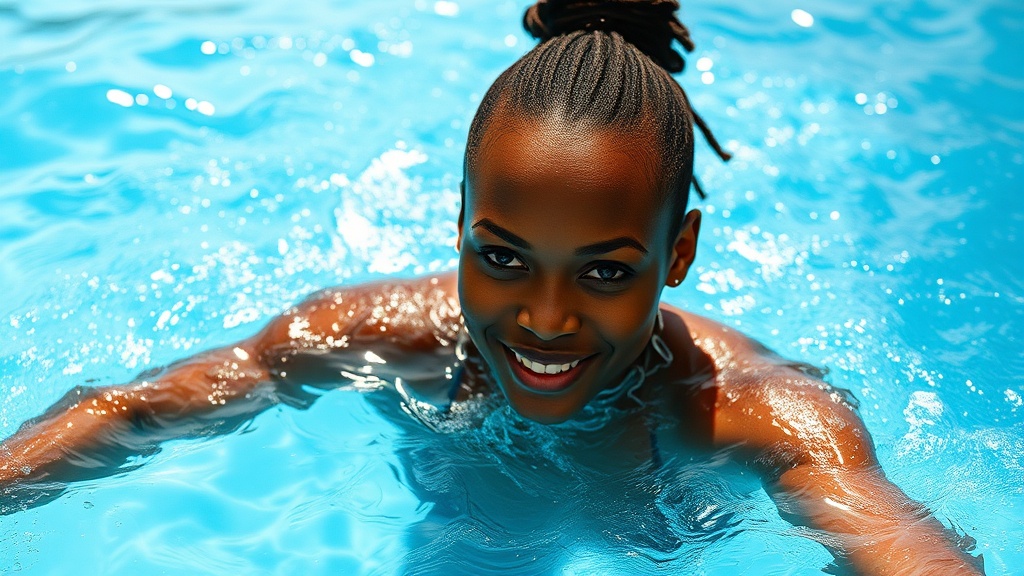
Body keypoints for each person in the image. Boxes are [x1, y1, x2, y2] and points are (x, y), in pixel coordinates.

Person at [0, 0, 982, 573]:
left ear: (678, 254)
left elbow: (892, 535)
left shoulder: (746, 414)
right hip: (470, 508)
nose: (545, 321)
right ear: (458, 225)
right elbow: (132, 414)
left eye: (605, 271)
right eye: (503, 257)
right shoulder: (377, 336)